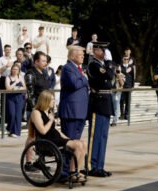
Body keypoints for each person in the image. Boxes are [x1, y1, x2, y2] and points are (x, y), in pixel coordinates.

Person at [29, 90, 87, 180]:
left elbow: (56, 130)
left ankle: (77, 171)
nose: (54, 102)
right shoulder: (36, 113)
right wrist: (51, 120)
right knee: (78, 145)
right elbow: (43, 131)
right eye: (52, 100)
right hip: (47, 141)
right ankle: (72, 173)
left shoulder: (49, 113)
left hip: (56, 138)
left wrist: (69, 139)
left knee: (82, 143)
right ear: (46, 100)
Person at [58, 45, 89, 178]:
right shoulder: (67, 68)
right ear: (72, 56)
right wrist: (84, 78)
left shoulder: (79, 69)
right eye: (81, 54)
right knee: (69, 144)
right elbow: (74, 84)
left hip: (80, 111)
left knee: (76, 143)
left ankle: (73, 170)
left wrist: (82, 77)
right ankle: (65, 172)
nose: (83, 56)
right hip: (71, 112)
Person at [87, 42, 114, 177]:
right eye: (102, 49)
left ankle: (100, 166)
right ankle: (92, 166)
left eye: (105, 50)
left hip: (106, 102)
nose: (104, 52)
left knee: (103, 136)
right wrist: (109, 62)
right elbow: (109, 76)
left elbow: (109, 80)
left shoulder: (102, 65)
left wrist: (108, 65)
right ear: (95, 50)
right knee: (94, 136)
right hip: (97, 103)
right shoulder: (93, 65)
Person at [23, 51, 50, 171]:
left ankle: (40, 161)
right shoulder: (30, 74)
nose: (45, 63)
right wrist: (36, 111)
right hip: (34, 110)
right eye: (43, 61)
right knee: (32, 137)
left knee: (43, 137)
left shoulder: (44, 73)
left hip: (44, 109)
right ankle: (28, 162)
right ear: (36, 62)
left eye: (45, 61)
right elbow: (30, 94)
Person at [5, 62, 26, 137]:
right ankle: (9, 128)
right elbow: (8, 88)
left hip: (19, 97)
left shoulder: (21, 77)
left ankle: (16, 132)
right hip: (11, 98)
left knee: (18, 115)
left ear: (19, 70)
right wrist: (15, 83)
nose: (15, 71)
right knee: (11, 114)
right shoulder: (8, 77)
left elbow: (25, 88)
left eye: (16, 69)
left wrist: (19, 88)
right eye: (13, 69)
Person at [119, 55, 135, 120]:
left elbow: (133, 77)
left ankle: (127, 114)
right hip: (122, 86)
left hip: (128, 86)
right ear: (122, 60)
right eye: (124, 59)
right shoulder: (120, 66)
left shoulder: (131, 67)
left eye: (127, 59)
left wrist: (132, 86)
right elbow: (119, 74)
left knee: (128, 101)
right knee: (121, 101)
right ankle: (122, 114)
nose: (126, 60)